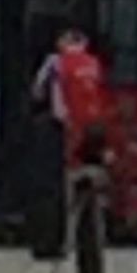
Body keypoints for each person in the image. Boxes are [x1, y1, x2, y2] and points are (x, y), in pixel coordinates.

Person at [32, 19, 111, 167]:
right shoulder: (93, 61)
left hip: (67, 118)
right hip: (94, 117)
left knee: (70, 158)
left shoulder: (56, 60)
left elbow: (38, 89)